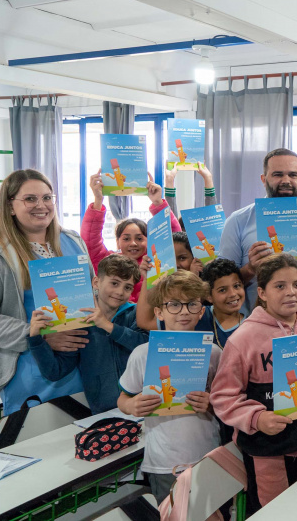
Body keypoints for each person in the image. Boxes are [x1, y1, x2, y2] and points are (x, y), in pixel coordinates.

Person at [211, 253, 297, 512]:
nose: (291, 292)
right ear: (262, 292)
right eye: (280, 286)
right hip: (268, 454)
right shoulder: (243, 340)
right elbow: (224, 397)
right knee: (273, 513)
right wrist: (257, 419)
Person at [0, 169, 90, 414]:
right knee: (41, 444)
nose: (41, 205)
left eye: (47, 197)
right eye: (30, 199)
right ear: (10, 206)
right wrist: (39, 337)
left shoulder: (72, 241)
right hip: (29, 369)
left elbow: (92, 295)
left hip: (84, 364)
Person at [117, 270, 221, 504]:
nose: (183, 311)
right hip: (163, 462)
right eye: (173, 304)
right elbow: (123, 399)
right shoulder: (142, 354)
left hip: (209, 456)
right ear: (159, 312)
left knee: (213, 513)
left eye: (192, 304)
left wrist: (212, 403)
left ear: (201, 311)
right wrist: (132, 404)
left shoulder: (214, 353)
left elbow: (227, 402)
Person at [27, 254, 146, 414]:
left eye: (127, 287)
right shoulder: (79, 322)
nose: (120, 292)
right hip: (104, 413)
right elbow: (55, 371)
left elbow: (145, 345)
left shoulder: (136, 313)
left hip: (141, 406)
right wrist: (35, 339)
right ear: (96, 282)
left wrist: (108, 326)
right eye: (114, 283)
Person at [220, 149, 297, 315]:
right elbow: (220, 282)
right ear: (264, 179)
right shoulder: (238, 221)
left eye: (293, 175)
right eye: (278, 174)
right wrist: (250, 269)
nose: (286, 181)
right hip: (255, 325)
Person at [82, 171, 180, 303]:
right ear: (117, 242)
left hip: (148, 320)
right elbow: (90, 241)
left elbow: (174, 239)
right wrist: (98, 200)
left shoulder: (155, 262)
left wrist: (157, 202)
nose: (133, 243)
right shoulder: (108, 262)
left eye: (139, 238)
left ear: (148, 240)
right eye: (126, 238)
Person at [201, 258, 246, 348]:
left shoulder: (251, 326)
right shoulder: (199, 316)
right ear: (208, 296)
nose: (233, 294)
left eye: (237, 286)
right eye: (222, 290)